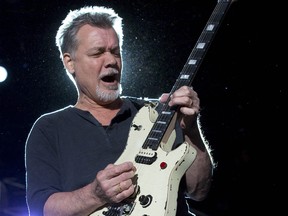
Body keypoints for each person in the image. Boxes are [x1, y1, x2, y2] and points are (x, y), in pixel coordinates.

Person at [25, 5, 215, 216]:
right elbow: (41, 210)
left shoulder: (158, 114)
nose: (111, 61)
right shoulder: (49, 128)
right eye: (98, 53)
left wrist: (190, 129)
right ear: (70, 62)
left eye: (115, 52)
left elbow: (199, 191)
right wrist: (95, 195)